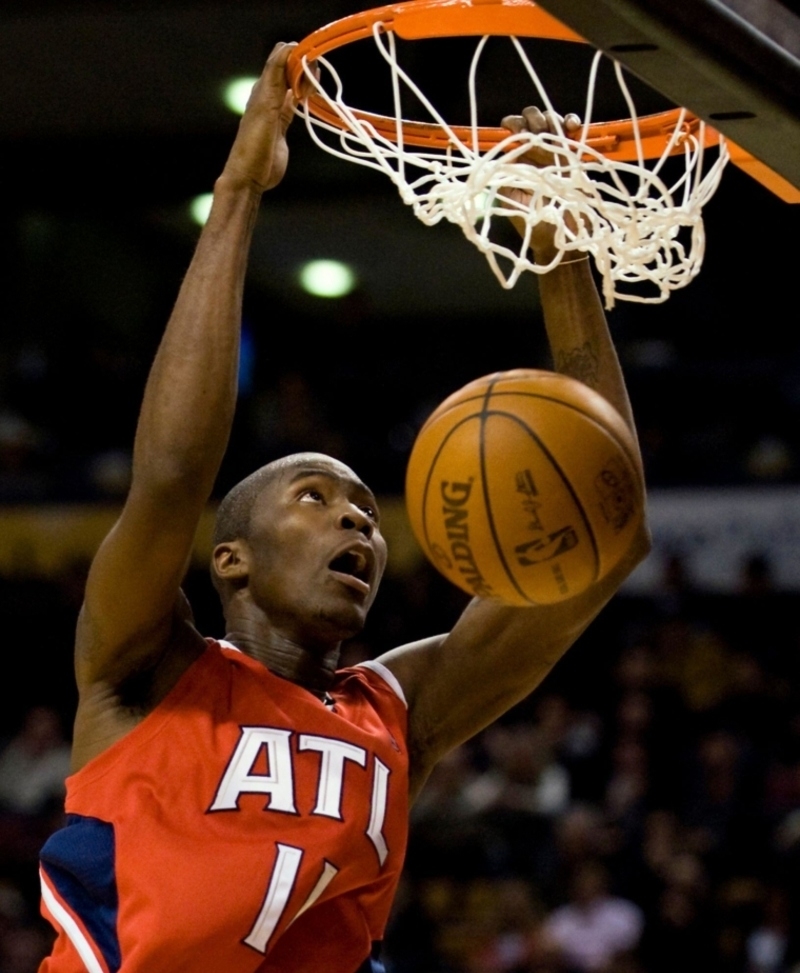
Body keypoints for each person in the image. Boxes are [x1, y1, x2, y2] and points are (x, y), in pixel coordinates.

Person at [36, 42, 650, 973]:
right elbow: (169, 477)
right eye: (315, 498)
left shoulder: (396, 713)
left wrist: (561, 252)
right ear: (230, 557)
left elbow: (602, 541)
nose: (357, 521)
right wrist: (239, 190)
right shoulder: (143, 668)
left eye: (365, 507)